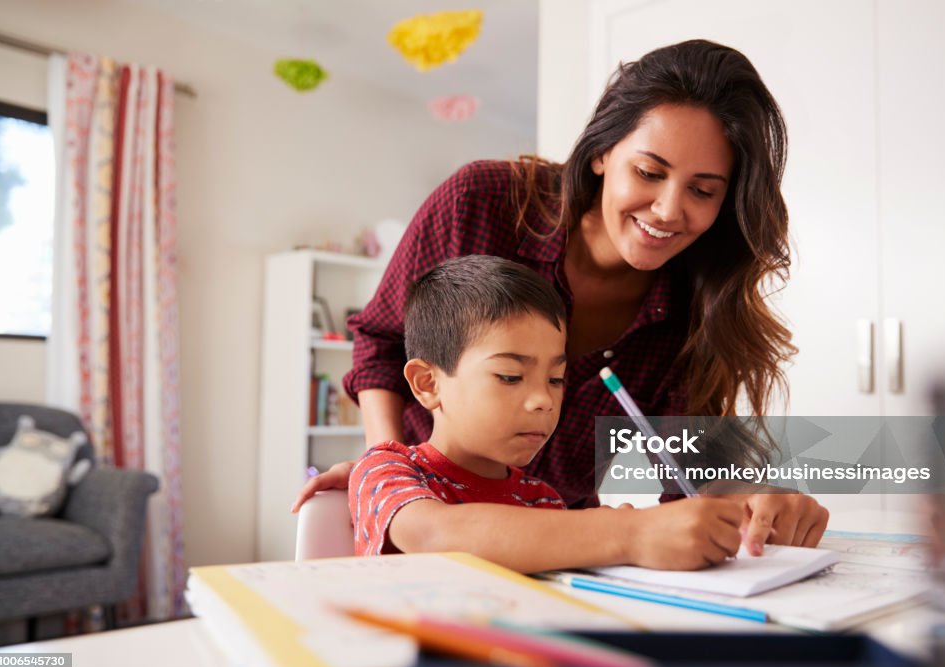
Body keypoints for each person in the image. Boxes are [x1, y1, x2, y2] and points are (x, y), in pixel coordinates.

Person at [294, 39, 829, 555]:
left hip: (561, 548)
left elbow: (690, 473)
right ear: (601, 152)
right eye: (649, 172)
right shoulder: (480, 202)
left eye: (703, 190)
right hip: (435, 515)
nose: (668, 209)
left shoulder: (696, 308)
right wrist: (385, 463)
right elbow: (383, 343)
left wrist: (753, 499)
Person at [351, 255, 747, 573]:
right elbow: (435, 535)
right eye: (510, 376)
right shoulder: (387, 469)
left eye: (556, 379)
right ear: (427, 383)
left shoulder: (540, 501)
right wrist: (628, 533)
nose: (543, 400)